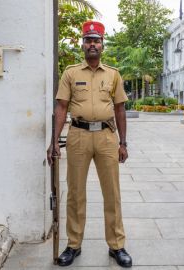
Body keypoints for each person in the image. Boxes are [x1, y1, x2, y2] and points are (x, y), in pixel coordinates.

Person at [47, 21, 132, 268]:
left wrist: (123, 143)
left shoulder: (113, 74)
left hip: (106, 137)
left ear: (102, 45)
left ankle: (117, 246)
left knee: (112, 193)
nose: (92, 44)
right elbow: (61, 107)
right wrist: (54, 141)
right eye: (88, 40)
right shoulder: (71, 73)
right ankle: (73, 244)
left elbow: (120, 109)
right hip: (78, 136)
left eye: (96, 40)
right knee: (75, 192)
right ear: (82, 45)